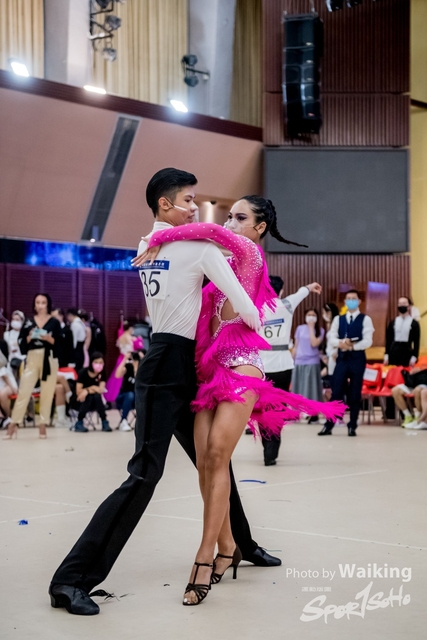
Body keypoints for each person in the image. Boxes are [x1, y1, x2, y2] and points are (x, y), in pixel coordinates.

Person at [49, 168, 281, 617]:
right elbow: (245, 299)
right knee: (145, 475)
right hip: (172, 364)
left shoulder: (147, 244)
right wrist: (246, 321)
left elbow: (196, 246)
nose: (196, 209)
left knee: (213, 460)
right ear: (165, 204)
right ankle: (70, 580)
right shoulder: (198, 248)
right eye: (189, 200)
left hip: (175, 360)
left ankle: (240, 544)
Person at [140, 196, 344, 606]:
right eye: (229, 217)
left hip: (242, 364)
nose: (230, 223)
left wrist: (156, 237)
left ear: (259, 227)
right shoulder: (218, 264)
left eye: (239, 217)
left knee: (217, 454)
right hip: (208, 370)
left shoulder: (250, 254)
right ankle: (228, 545)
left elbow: (208, 231)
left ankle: (204, 557)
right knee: (205, 462)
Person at [259, 276, 322, 465]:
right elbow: (301, 292)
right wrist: (310, 286)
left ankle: (267, 447)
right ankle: (272, 450)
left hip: (262, 366)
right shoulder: (286, 304)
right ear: (281, 291)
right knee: (279, 408)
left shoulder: (257, 307)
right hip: (283, 365)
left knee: (263, 408)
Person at [3, 293, 61, 440]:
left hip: (49, 358)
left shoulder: (54, 322)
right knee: (24, 391)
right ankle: (13, 424)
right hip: (32, 357)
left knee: (47, 393)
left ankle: (43, 424)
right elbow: (22, 343)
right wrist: (30, 336)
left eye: (43, 302)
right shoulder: (29, 321)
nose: (40, 305)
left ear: (48, 304)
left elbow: (61, 344)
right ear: (34, 305)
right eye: (38, 302)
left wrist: (48, 338)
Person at [318, 289, 374, 437]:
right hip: (342, 359)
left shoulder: (365, 319)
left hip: (357, 358)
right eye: (348, 298)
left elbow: (368, 340)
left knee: (354, 393)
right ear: (345, 301)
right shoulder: (339, 319)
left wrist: (352, 346)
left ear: (359, 301)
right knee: (336, 392)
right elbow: (332, 338)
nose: (351, 301)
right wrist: (342, 343)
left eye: (354, 298)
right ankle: (329, 424)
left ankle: (352, 425)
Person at [291, 308, 325, 423]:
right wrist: (292, 359)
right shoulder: (299, 328)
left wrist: (311, 328)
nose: (311, 317)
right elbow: (296, 346)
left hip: (312, 362)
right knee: (298, 388)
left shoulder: (320, 330)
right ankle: (296, 413)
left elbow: (314, 343)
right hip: (299, 362)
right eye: (309, 314)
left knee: (312, 389)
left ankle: (314, 414)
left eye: (313, 315)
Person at [105, 320, 143, 403]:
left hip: (121, 358)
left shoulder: (121, 336)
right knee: (124, 378)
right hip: (128, 359)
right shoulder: (131, 338)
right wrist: (139, 340)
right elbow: (135, 349)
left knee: (116, 378)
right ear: (130, 328)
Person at [73, 352, 111, 433]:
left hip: (96, 402)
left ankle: (104, 421)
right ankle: (79, 422)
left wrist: (87, 390)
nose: (98, 364)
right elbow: (78, 391)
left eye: (101, 362)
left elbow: (100, 389)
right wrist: (90, 390)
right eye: (96, 362)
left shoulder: (102, 373)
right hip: (81, 401)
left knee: (96, 396)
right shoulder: (83, 372)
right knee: (89, 397)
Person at [384, 297, 420, 367]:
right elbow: (388, 340)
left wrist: (414, 357)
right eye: (400, 303)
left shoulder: (414, 324)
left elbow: (416, 342)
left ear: (409, 306)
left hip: (407, 352)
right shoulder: (392, 323)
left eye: (404, 303)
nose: (402, 305)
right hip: (393, 352)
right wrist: (386, 355)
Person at [115, 350, 144, 431]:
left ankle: (144, 423)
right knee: (130, 395)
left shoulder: (143, 369)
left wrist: (140, 363)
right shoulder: (128, 367)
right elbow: (117, 375)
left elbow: (140, 380)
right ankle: (124, 420)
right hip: (123, 397)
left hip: (137, 399)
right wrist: (125, 359)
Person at [391, 364, 427, 428]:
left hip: (424, 382)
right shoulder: (419, 360)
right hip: (412, 382)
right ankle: (408, 416)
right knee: (395, 390)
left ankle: (418, 417)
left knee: (418, 391)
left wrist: (421, 369)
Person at [0, 343, 18, 430]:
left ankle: (8, 417)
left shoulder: (1, 365)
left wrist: (14, 389)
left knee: (3, 394)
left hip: (8, 384)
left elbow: (5, 377)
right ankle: (3, 417)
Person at [3, 310, 26, 375]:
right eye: (13, 319)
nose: (15, 321)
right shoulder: (7, 334)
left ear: (22, 321)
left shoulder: (25, 335)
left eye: (17, 320)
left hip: (23, 361)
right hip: (11, 362)